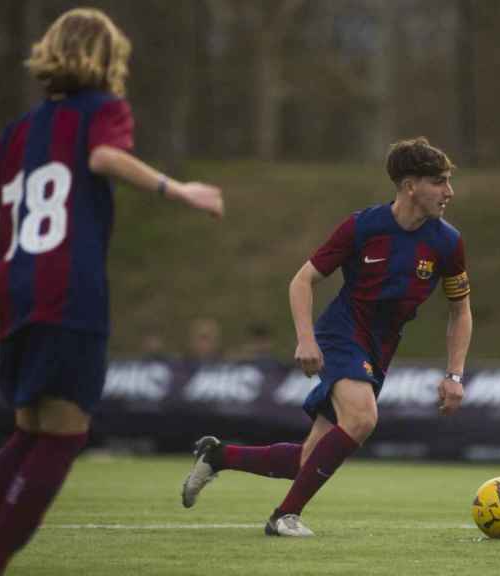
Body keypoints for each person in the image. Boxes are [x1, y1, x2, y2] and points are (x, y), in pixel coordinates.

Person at [0, 8, 224, 576]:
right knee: (62, 439)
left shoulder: (18, 129)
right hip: (69, 295)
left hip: (14, 293)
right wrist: (178, 189)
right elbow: (103, 158)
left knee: (25, 435)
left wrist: (10, 259)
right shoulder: (104, 110)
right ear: (108, 59)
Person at [181, 136, 473, 537]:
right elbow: (303, 281)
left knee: (309, 460)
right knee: (363, 418)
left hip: (382, 346)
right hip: (343, 331)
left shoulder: (447, 242)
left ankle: (217, 455)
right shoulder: (363, 226)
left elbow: (460, 310)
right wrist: (306, 339)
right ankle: (283, 517)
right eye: (439, 182)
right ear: (410, 186)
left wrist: (455, 375)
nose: (449, 191)